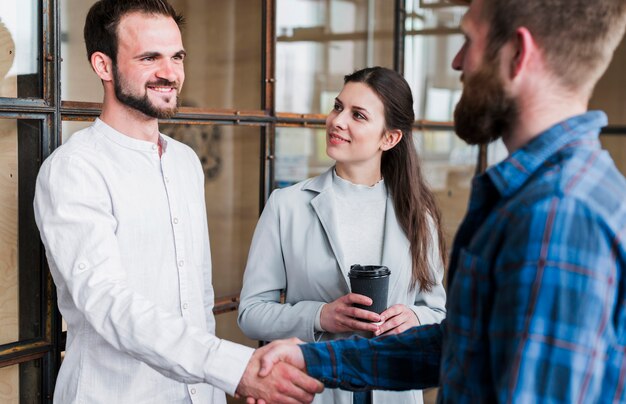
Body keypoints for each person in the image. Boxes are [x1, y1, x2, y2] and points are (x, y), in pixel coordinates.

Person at [256, 0, 626, 402]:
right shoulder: (542, 195)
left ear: (518, 54)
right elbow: (456, 347)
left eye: (468, 40)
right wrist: (311, 360)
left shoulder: (558, 213)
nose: (456, 61)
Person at [33, 1, 322, 403]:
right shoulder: (73, 169)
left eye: (176, 57)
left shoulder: (186, 161)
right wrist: (233, 368)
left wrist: (218, 385)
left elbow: (199, 298)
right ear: (103, 66)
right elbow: (109, 304)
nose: (170, 73)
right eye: (150, 58)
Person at [238, 66, 447, 404]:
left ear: (389, 138)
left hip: (394, 391)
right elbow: (250, 313)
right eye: (338, 107)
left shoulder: (417, 216)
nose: (337, 121)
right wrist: (320, 315)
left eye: (358, 115)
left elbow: (437, 311)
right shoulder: (286, 206)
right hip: (313, 391)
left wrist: (415, 317)